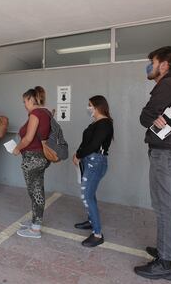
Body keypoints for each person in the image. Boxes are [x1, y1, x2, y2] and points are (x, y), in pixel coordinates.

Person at [134, 46, 171, 281]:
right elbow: (151, 116)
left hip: (164, 153)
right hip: (170, 150)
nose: (150, 66)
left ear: (164, 65)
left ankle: (165, 262)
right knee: (168, 203)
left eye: (153, 62)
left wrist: (150, 116)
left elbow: (145, 117)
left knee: (163, 205)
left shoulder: (167, 85)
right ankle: (169, 252)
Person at [72, 95, 114, 247]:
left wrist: (78, 155)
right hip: (89, 160)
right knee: (90, 194)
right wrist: (78, 154)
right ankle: (91, 221)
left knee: (86, 195)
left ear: (97, 106)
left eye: (90, 105)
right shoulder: (96, 123)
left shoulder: (105, 123)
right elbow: (86, 143)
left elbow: (95, 145)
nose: (88, 107)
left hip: (95, 162)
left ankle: (97, 234)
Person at [13, 86, 50, 239]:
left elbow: (28, 138)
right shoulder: (46, 112)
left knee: (35, 193)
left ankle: (35, 229)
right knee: (37, 191)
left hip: (33, 158)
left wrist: (17, 148)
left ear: (31, 99)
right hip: (41, 157)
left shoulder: (35, 114)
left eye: (24, 101)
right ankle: (36, 221)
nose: (24, 104)